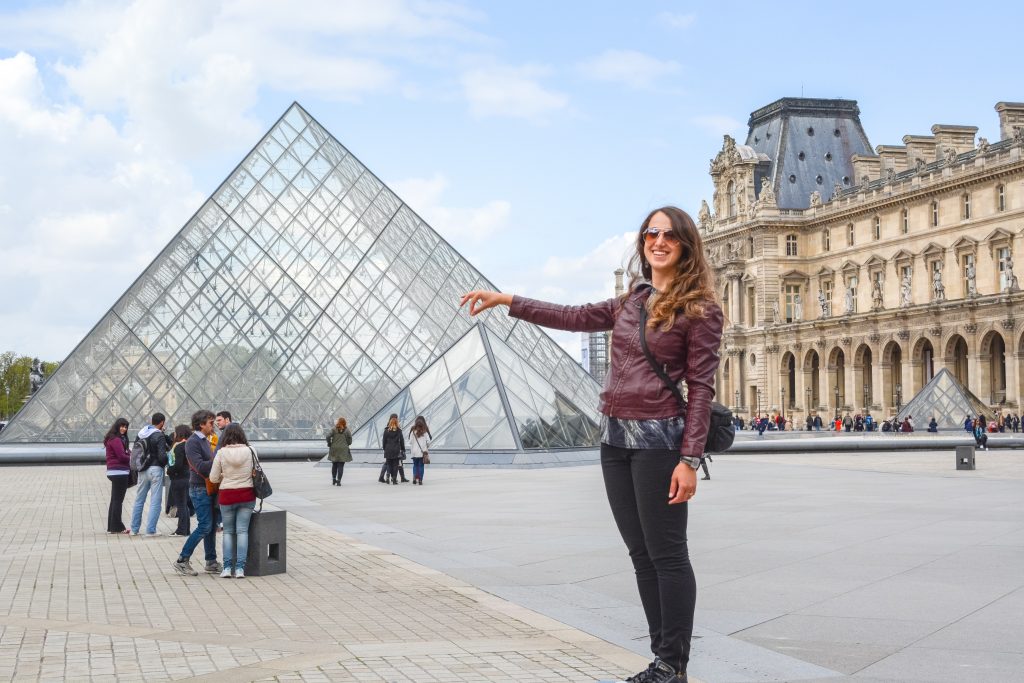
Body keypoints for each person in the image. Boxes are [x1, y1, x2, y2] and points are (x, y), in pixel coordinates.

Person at [460, 206, 722, 683]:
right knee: (640, 554)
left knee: (667, 554)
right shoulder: (631, 301)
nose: (657, 241)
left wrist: (689, 458)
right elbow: (572, 316)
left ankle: (672, 664)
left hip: (660, 444)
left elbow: (701, 388)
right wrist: (507, 299)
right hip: (615, 441)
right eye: (650, 233)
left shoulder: (700, 309)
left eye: (668, 235)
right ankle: (662, 659)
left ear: (685, 245)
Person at [172, 410, 221, 577]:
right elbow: (200, 466)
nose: (213, 425)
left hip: (207, 487)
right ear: (201, 424)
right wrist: (219, 459)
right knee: (205, 526)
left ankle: (211, 561)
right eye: (210, 423)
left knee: (211, 526)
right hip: (199, 488)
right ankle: (182, 560)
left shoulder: (204, 440)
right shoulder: (193, 442)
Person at [209, 424, 256, 578]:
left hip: (227, 496)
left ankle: (227, 568)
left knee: (228, 532)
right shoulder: (251, 451)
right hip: (247, 494)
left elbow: (213, 478)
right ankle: (241, 569)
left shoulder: (221, 453)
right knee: (242, 531)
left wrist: (225, 476)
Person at [130, 412, 171, 536]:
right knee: (155, 501)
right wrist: (168, 461)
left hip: (142, 469)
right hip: (155, 469)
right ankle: (150, 530)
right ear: (162, 422)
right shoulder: (159, 435)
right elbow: (161, 455)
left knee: (139, 500)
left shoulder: (141, 433)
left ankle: (134, 529)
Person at [104, 418, 132, 534]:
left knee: (114, 500)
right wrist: (132, 457)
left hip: (113, 471)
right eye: (122, 426)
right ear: (117, 426)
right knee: (118, 501)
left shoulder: (113, 439)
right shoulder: (116, 440)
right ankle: (117, 527)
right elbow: (121, 456)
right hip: (120, 472)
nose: (124, 429)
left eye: (125, 427)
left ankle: (112, 526)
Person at [166, 425, 192, 537]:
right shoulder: (188, 445)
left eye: (175, 432)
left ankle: (181, 530)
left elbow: (178, 465)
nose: (174, 434)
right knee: (184, 505)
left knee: (181, 505)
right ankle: (186, 530)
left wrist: (169, 471)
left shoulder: (179, 446)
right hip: (186, 478)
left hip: (178, 479)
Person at [327, 417, 353, 486]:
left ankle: (333, 479)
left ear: (338, 422)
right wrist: (347, 443)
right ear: (345, 423)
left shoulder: (334, 429)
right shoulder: (347, 430)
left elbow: (327, 436)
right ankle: (339, 481)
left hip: (334, 448)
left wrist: (329, 443)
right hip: (343, 449)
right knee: (341, 465)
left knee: (334, 464)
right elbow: (350, 439)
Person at [381, 414, 405, 485]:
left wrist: (384, 448)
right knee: (395, 465)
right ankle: (394, 479)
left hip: (388, 449)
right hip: (396, 449)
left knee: (389, 464)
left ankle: (388, 477)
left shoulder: (386, 430)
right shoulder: (399, 431)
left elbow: (384, 441)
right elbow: (402, 441)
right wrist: (403, 449)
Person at [408, 415, 432, 485]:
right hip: (422, 452)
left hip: (414, 452)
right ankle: (420, 480)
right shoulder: (425, 432)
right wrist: (425, 446)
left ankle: (415, 479)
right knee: (421, 466)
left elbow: (410, 442)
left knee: (415, 465)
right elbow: (428, 442)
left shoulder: (413, 432)